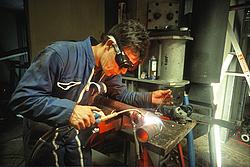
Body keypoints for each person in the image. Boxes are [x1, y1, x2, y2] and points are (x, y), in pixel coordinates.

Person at [9, 19, 173, 166]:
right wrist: (70, 111)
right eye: (123, 62)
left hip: (76, 138)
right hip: (44, 138)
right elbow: (22, 99)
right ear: (109, 44)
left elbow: (122, 95)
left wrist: (150, 98)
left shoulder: (108, 71)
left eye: (128, 68)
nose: (122, 71)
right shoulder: (60, 55)